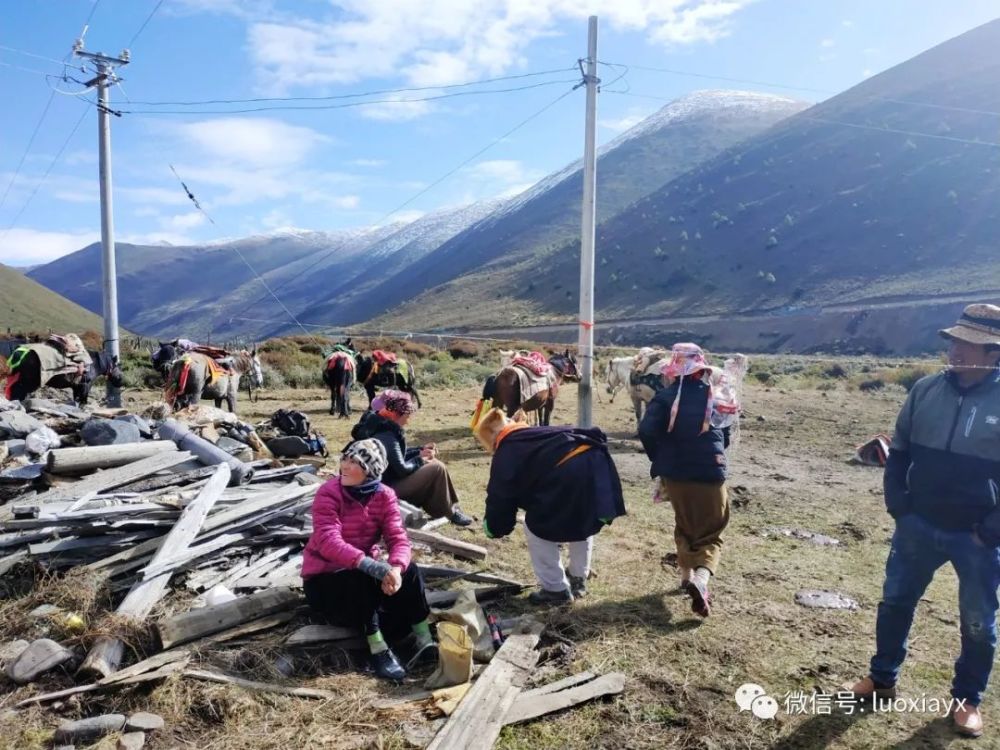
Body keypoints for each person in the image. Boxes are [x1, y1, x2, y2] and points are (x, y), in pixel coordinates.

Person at [847, 304, 1000, 738]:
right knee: (895, 602)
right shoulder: (924, 390)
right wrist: (900, 505)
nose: (955, 350)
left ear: (992, 353)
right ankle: (881, 678)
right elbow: (900, 452)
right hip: (918, 525)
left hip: (978, 537)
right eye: (953, 341)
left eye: (967, 344)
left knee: (977, 621)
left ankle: (967, 699)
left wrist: (991, 529)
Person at [301, 439, 437, 681]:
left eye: (354, 462)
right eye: (345, 458)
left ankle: (423, 638)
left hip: (363, 573)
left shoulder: (384, 495)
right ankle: (377, 648)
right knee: (357, 578)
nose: (344, 465)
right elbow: (327, 540)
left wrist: (395, 568)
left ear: (371, 470)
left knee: (411, 571)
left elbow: (398, 538)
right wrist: (369, 565)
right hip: (325, 580)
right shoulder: (329, 492)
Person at [474, 407, 626, 605]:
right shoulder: (535, 433)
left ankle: (555, 589)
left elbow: (501, 497)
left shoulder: (507, 449)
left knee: (536, 527)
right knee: (583, 518)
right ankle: (578, 578)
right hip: (596, 465)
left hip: (572, 473)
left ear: (492, 438)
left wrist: (494, 527)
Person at [638, 343, 731, 618]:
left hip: (675, 474)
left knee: (685, 522)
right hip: (710, 473)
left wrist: (660, 457)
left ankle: (685, 577)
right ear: (700, 369)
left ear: (674, 371)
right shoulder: (716, 396)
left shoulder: (664, 397)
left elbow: (646, 429)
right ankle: (701, 581)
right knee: (713, 530)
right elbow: (724, 436)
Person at [352, 389, 473, 526]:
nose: (407, 421)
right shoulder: (387, 434)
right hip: (381, 490)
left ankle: (450, 510)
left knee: (433, 465)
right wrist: (420, 459)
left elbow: (395, 456)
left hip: (376, 484)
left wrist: (419, 451)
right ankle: (450, 512)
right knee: (437, 467)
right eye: (407, 416)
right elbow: (401, 469)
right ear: (396, 414)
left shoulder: (375, 424)